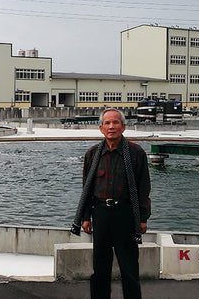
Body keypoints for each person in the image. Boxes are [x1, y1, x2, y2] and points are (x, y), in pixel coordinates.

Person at [71, 108, 151, 299]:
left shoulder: (136, 153)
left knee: (129, 269)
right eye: (107, 123)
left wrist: (142, 218)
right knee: (100, 269)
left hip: (126, 215)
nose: (111, 126)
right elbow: (87, 188)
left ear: (123, 127)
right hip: (101, 214)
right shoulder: (92, 155)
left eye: (115, 123)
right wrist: (85, 217)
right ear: (101, 128)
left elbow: (144, 189)